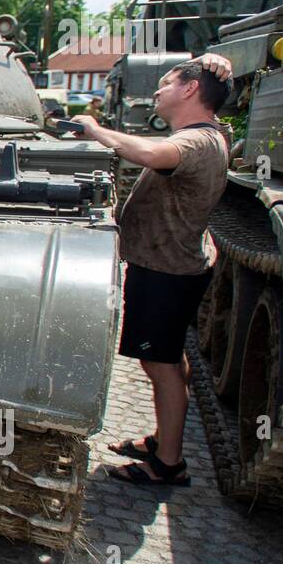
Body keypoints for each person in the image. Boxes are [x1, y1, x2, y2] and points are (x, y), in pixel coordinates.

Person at [73, 54, 234, 488]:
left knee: (159, 363)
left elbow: (147, 152)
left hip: (166, 271)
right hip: (175, 264)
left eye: (166, 83)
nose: (157, 91)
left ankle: (168, 465)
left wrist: (95, 129)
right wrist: (208, 60)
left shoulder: (197, 142)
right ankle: (165, 440)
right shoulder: (210, 134)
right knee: (167, 360)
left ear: (190, 89)